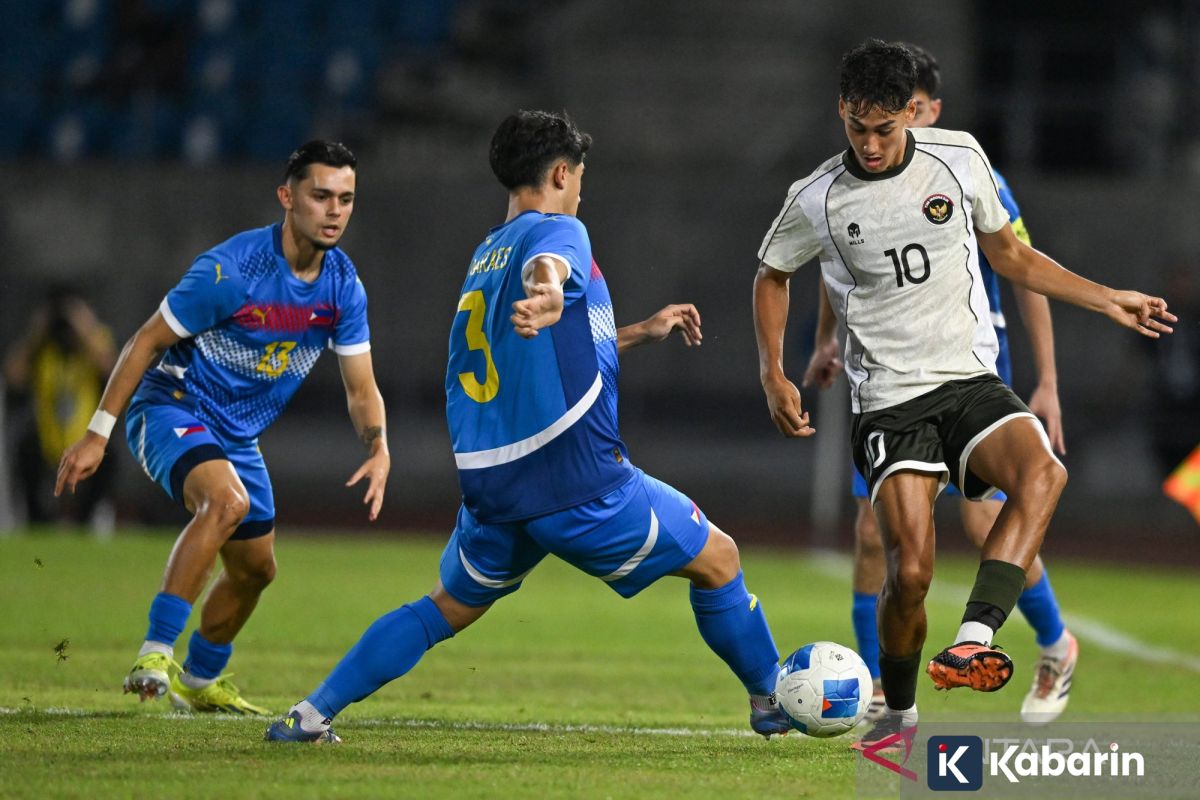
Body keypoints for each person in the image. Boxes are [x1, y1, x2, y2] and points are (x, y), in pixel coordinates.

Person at [266, 110, 788, 744]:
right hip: (574, 478)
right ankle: (771, 699)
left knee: (442, 609)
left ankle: (310, 714)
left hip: (494, 485)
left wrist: (638, 331)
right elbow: (551, 268)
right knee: (720, 558)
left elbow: (544, 345)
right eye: (580, 177)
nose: (581, 190)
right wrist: (550, 290)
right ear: (562, 173)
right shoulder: (560, 231)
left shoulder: (487, 254)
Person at [752, 40, 1174, 746]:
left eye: (885, 128)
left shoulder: (960, 158)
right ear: (842, 111)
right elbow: (773, 274)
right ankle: (900, 711)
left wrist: (1107, 299)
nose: (871, 144)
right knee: (911, 571)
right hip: (890, 402)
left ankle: (975, 638)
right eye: (858, 128)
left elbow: (1011, 256)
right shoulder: (816, 196)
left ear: (910, 114)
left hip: (969, 381)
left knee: (1043, 472)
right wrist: (773, 370)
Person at [55, 141, 390, 715]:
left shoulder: (342, 287)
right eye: (321, 196)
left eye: (346, 198)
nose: (335, 210)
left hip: (236, 436)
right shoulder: (231, 271)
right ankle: (155, 653)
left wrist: (378, 447)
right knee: (227, 503)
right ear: (287, 197)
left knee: (257, 570)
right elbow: (145, 342)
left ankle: (199, 679)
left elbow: (361, 388)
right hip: (172, 406)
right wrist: (97, 432)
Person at [800, 43, 1077, 726]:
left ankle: (1054, 641)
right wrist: (828, 340)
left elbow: (1023, 267)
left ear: (929, 110)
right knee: (875, 537)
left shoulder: (967, 169)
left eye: (915, 111)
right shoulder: (857, 183)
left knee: (985, 520)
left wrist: (1047, 380)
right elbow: (845, 265)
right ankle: (878, 683)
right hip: (891, 379)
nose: (900, 129)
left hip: (970, 367)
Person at [4, 286, 117, 529]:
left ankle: (86, 522)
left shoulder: (93, 341)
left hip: (84, 435)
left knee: (111, 456)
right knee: (24, 447)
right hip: (47, 436)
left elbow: (111, 368)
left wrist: (84, 326)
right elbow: (13, 376)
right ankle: (36, 523)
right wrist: (36, 332)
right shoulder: (42, 349)